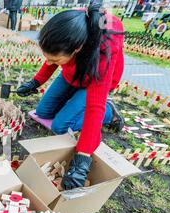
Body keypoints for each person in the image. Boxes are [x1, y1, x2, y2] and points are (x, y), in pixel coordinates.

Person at [16, 0, 125, 190]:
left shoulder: (106, 48)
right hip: (73, 74)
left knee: (61, 126)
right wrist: (35, 82)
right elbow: (52, 56)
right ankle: (74, 104)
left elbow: (94, 108)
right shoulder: (70, 26)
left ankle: (111, 113)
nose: (49, 62)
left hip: (95, 79)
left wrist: (82, 160)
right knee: (43, 111)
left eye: (55, 60)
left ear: (76, 49)